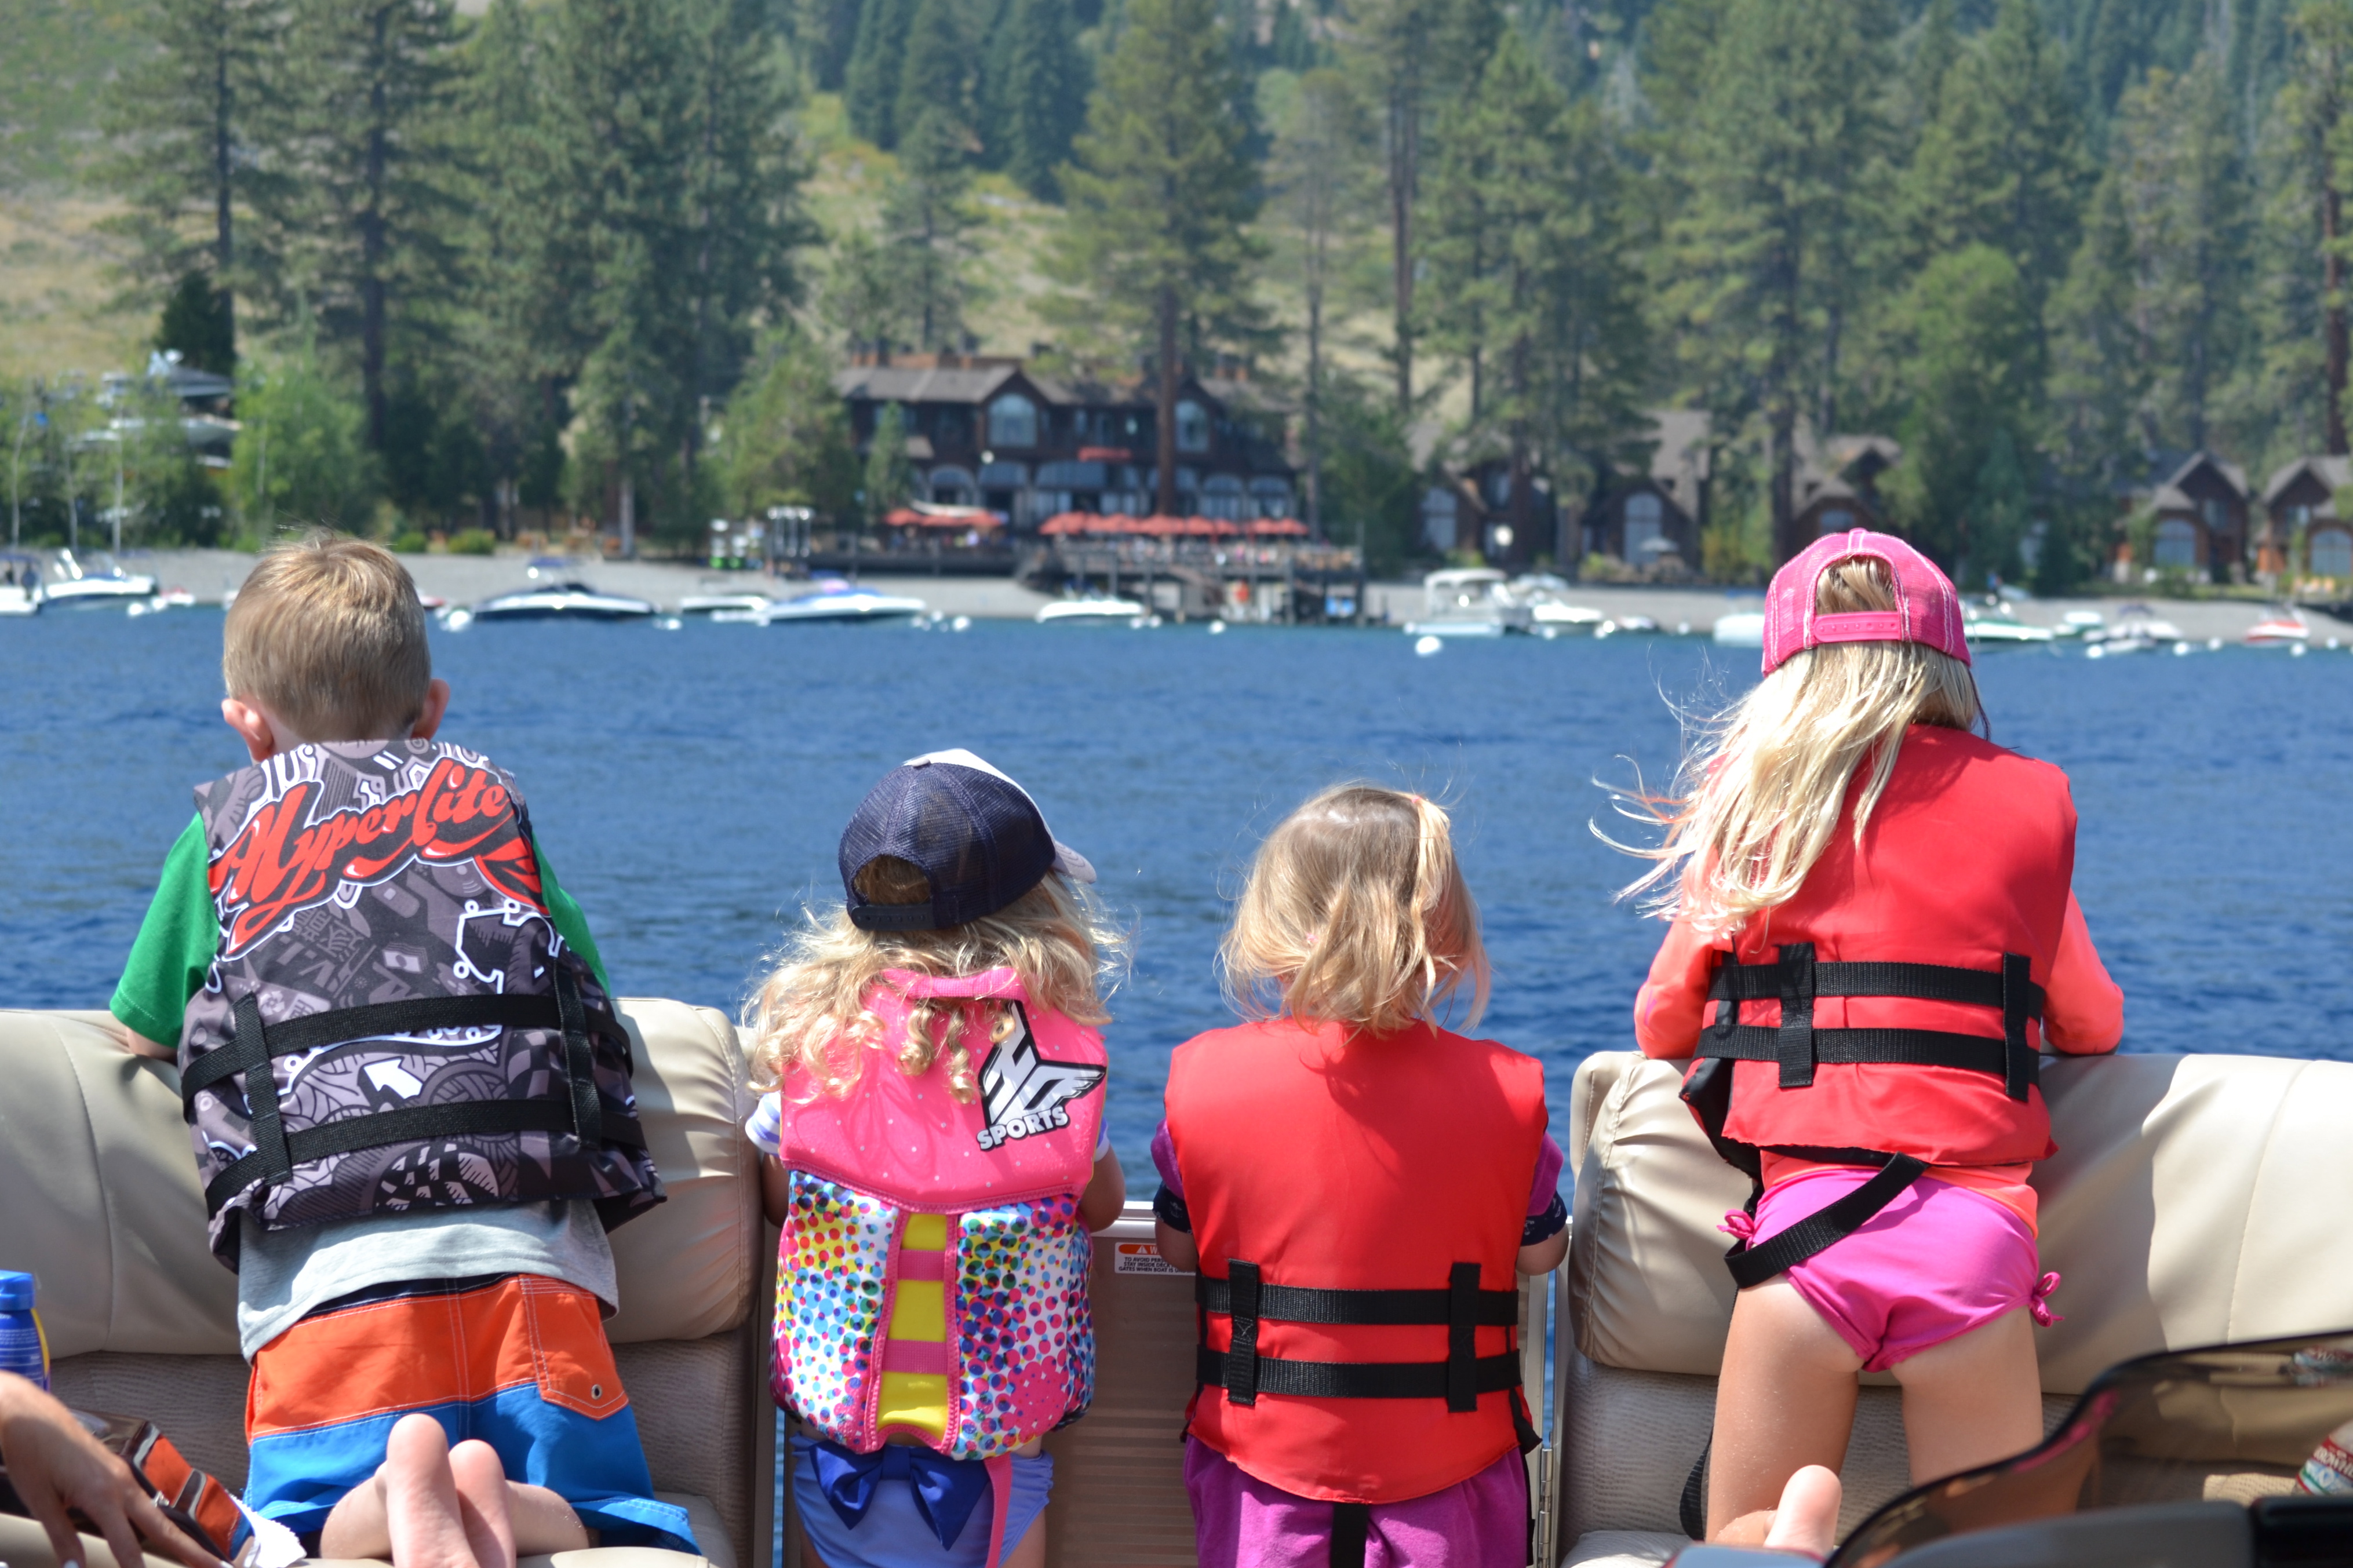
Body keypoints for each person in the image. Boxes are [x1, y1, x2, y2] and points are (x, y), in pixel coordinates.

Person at [104, 535, 686, 1563]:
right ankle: (502, 1500)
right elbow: (580, 983)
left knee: (298, 1533)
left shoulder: (221, 836)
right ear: (432, 711)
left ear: (248, 728)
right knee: (608, 1512)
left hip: (335, 1300)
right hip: (532, 1287)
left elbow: (144, 1027)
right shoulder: (491, 810)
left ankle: (386, 1500)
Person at [1619, 530, 2124, 1547]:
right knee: (1986, 1553)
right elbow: (2093, 1022)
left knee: (1750, 1532)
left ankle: (1794, 1538)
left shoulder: (1754, 802)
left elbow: (1662, 1019)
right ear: (1951, 664)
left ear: (1784, 674)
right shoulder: (2029, 802)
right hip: (1973, 1246)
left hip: (1807, 1240)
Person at [1150, 784, 1564, 1568]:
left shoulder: (1201, 1081)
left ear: (1274, 922)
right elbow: (1541, 1252)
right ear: (1447, 931)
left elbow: (1178, 1245)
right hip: (1455, 1482)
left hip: (1261, 1482)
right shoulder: (1510, 1092)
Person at [744, 750, 1128, 1568]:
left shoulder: (819, 1049)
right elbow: (1099, 1207)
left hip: (833, 1461)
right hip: (995, 1471)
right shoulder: (1047, 1071)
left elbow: (782, 1196)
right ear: (1039, 913)